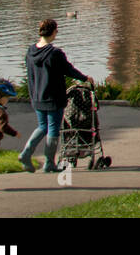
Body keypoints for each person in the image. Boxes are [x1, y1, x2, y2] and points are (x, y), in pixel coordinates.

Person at [17, 18, 93, 174]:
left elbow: (30, 75)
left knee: (42, 126)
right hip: (53, 97)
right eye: (56, 31)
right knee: (52, 129)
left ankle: (26, 153)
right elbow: (68, 70)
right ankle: (49, 163)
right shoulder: (55, 53)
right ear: (52, 32)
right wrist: (85, 78)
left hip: (37, 96)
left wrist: (32, 95)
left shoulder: (30, 52)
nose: (57, 33)